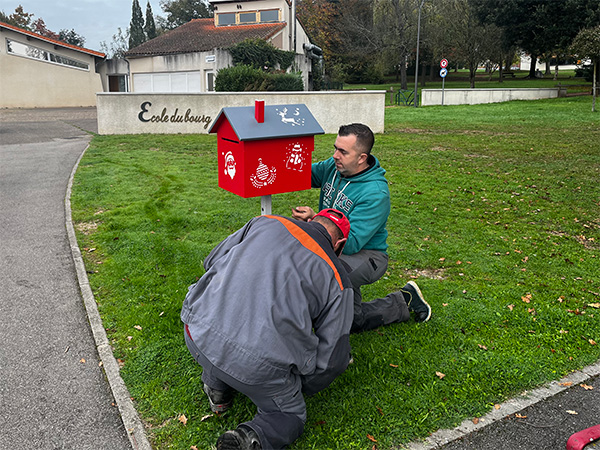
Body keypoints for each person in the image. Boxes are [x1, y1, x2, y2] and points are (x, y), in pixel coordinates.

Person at [181, 209, 354, 450]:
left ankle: (216, 387)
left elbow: (211, 261)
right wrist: (295, 386)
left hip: (195, 329)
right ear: (340, 244)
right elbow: (332, 360)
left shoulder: (264, 222)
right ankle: (247, 439)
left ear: (312, 220)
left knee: (222, 336)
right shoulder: (338, 278)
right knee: (291, 414)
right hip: (256, 369)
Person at [292, 123, 431, 332]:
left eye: (343, 151)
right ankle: (404, 299)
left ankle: (315, 338)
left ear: (361, 158)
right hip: (333, 248)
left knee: (325, 275)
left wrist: (316, 220)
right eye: (335, 148)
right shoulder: (334, 167)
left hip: (367, 255)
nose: (335, 155)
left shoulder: (375, 192)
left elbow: (352, 243)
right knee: (353, 320)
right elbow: (301, 174)